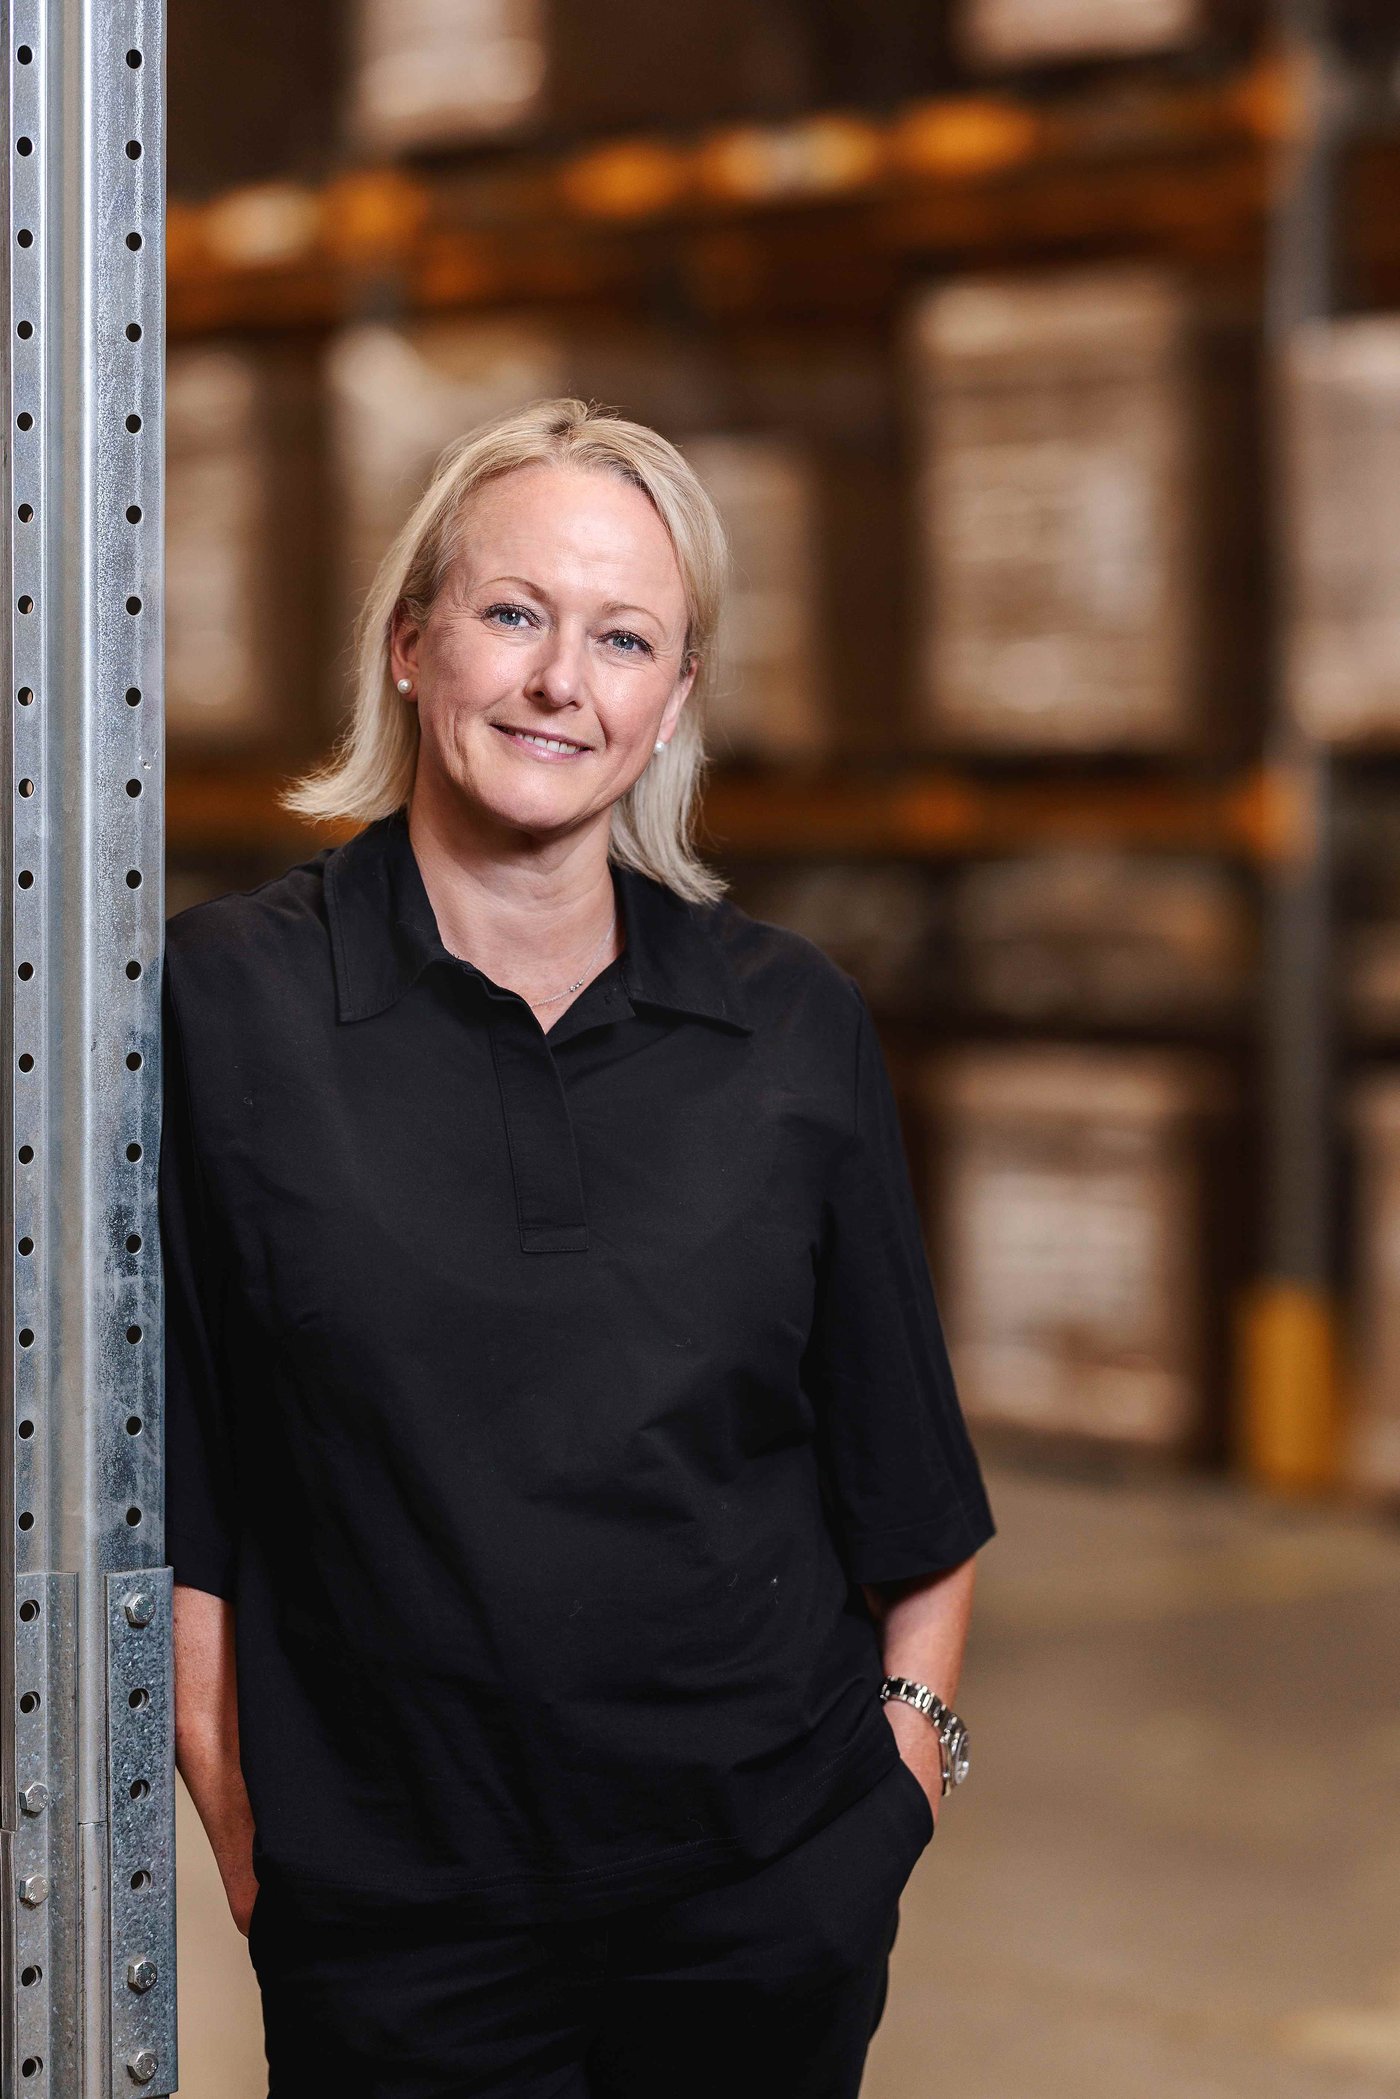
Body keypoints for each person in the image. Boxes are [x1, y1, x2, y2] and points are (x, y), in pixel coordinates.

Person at [164, 396, 996, 2099]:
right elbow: (178, 1490)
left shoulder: (789, 1029)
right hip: (402, 1943)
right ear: (410, 642)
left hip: (763, 1914)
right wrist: (261, 1850)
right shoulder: (227, 1006)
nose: (563, 683)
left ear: (674, 699)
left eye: (626, 638)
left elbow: (911, 1485)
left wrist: (892, 1796)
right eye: (514, 614)